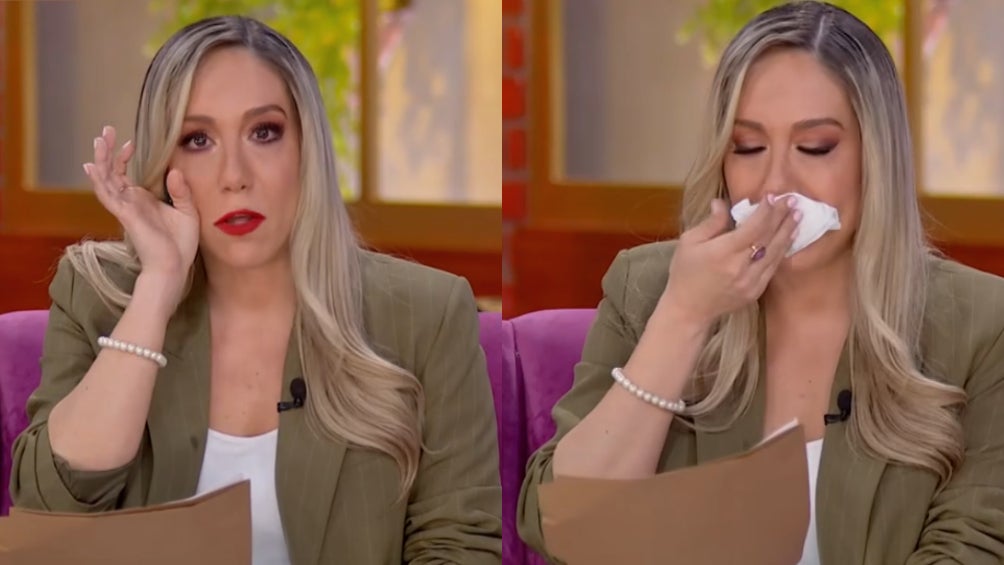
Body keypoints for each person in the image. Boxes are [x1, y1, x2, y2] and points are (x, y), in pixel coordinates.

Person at [517, 2, 1004, 564]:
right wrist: (684, 316)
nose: (776, 184)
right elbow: (563, 528)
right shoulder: (646, 288)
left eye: (815, 147)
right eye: (748, 147)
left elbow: (971, 548)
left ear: (877, 157)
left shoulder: (980, 322)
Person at [11, 15, 502, 565]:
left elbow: (458, 547)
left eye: (264, 132)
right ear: (165, 161)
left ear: (307, 148)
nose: (235, 175)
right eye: (197, 140)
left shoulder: (427, 314)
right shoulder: (96, 294)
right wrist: (157, 286)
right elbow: (49, 516)